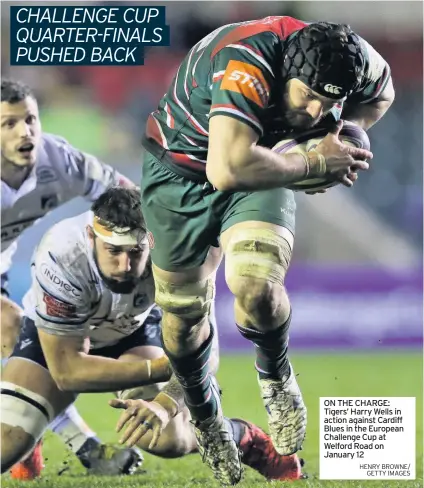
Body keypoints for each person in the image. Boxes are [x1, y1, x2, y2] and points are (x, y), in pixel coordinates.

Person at [138, 17, 395, 485]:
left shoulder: (353, 58)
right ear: (285, 75)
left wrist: (349, 133)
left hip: (263, 162)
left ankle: (276, 378)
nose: (319, 111)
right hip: (182, 173)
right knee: (181, 317)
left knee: (257, 287)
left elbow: (383, 93)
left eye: (331, 101)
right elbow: (226, 168)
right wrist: (314, 160)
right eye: (309, 96)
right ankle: (206, 415)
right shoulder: (248, 60)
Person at [0, 187, 305, 482]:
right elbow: (67, 372)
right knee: (7, 442)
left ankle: (247, 440)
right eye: (114, 251)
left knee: (169, 440)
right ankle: (31, 429)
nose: (125, 265)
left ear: (151, 240)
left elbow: (205, 354)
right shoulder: (61, 253)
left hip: (135, 333)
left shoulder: (177, 251)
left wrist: (163, 404)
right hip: (64, 341)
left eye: (135, 252)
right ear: (91, 236)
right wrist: (161, 369)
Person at [0, 78, 141, 478]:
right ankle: (83, 446)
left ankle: (29, 432)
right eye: (8, 123)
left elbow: (122, 192)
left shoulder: (57, 160)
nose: (24, 131)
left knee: (20, 335)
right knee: (11, 325)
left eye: (29, 119)